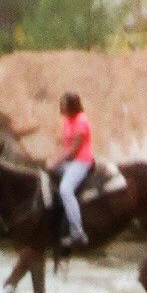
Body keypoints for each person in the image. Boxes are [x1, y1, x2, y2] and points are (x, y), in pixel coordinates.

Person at [55, 88, 96, 245]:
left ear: (72, 105)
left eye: (64, 104)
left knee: (65, 189)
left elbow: (73, 150)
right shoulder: (66, 120)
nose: (61, 107)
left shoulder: (81, 121)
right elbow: (65, 145)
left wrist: (56, 162)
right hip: (69, 161)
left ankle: (77, 232)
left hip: (81, 161)